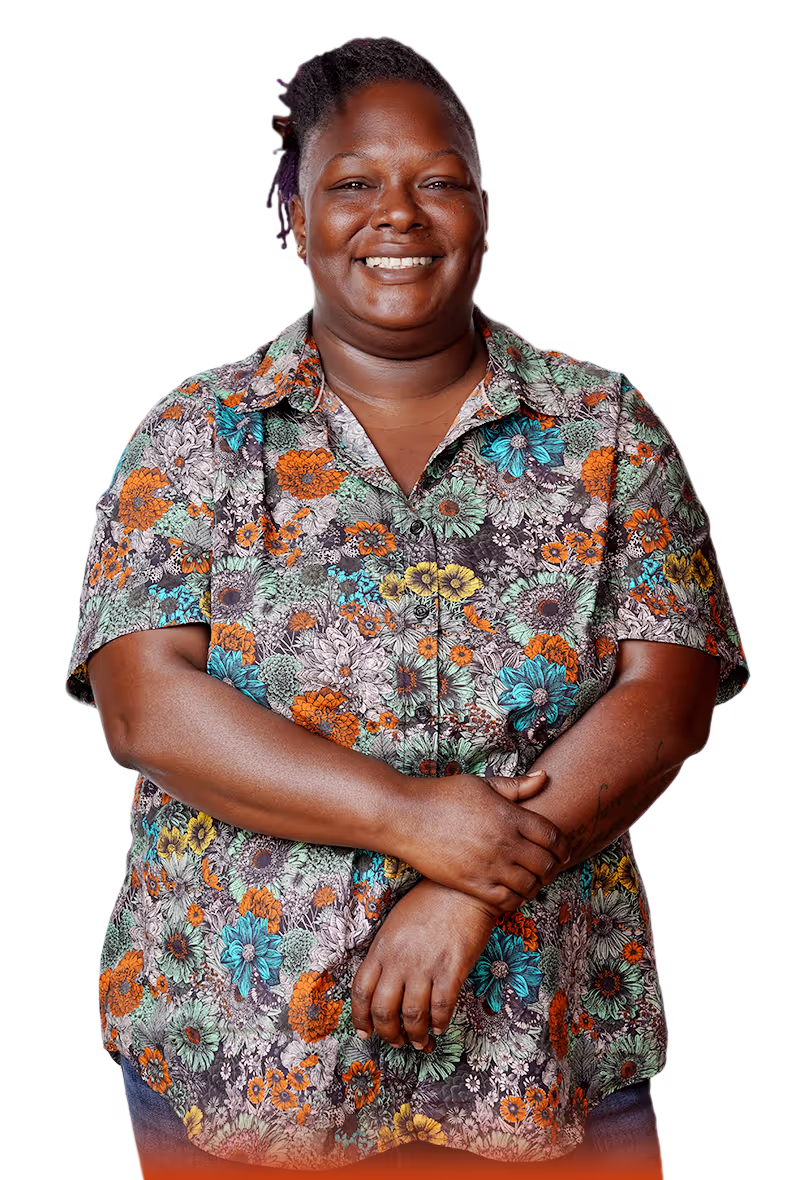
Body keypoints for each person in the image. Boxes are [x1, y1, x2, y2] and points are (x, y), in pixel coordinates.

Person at [65, 36, 749, 1178]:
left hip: (542, 1047)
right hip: (245, 1053)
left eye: (437, 180)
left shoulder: (607, 430)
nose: (399, 214)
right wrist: (409, 818)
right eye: (352, 184)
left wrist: (460, 892)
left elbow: (666, 699)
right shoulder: (197, 435)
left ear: (482, 209)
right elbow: (147, 709)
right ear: (292, 216)